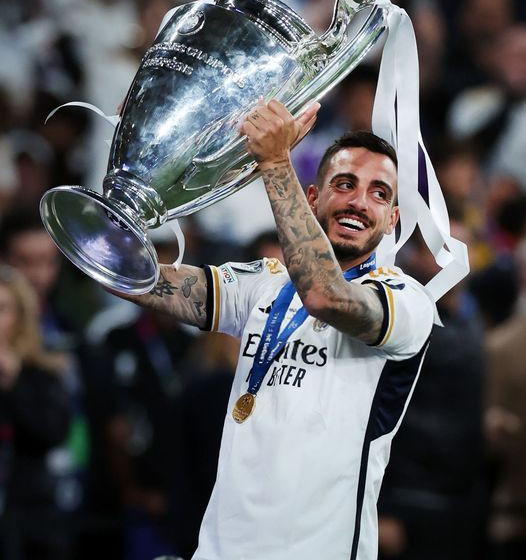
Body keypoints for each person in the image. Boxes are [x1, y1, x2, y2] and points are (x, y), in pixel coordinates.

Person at [113, 98, 435, 560]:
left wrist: (276, 163)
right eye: (345, 184)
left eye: (379, 194)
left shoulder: (407, 302)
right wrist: (137, 166)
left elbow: (325, 295)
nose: (359, 202)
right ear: (312, 198)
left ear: (392, 222)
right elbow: (139, 279)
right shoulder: (265, 283)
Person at [0, 264, 70, 559]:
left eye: (2, 309)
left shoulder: (41, 374)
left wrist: (14, 384)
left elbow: (53, 434)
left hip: (28, 519)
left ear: (20, 317)